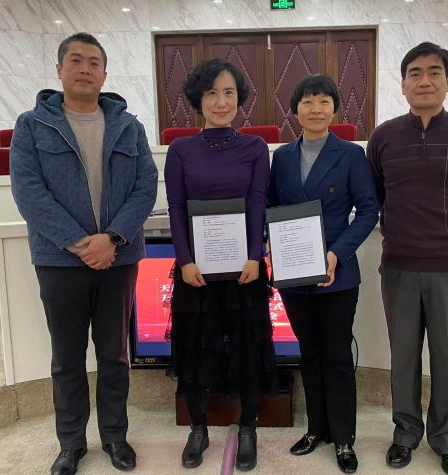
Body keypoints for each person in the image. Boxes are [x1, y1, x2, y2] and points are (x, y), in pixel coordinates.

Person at [10, 32, 157, 475]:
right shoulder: (32, 126)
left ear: (104, 74)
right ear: (59, 70)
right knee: (67, 358)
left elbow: (145, 187)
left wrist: (111, 238)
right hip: (59, 261)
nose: (85, 69)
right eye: (76, 60)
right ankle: (71, 443)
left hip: (118, 258)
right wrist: (80, 243)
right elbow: (29, 193)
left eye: (94, 62)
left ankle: (115, 436)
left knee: (114, 354)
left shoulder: (129, 126)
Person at [367, 42, 448, 475]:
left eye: (434, 72)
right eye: (415, 73)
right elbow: (377, 195)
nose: (424, 80)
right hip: (399, 265)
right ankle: (405, 433)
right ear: (403, 84)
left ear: (447, 81)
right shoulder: (383, 137)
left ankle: (446, 439)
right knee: (403, 357)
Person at [164, 58, 276, 472]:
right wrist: (184, 260)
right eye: (212, 93)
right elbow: (176, 207)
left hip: (245, 268)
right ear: (199, 99)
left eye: (229, 92)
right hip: (196, 272)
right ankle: (199, 428)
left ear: (239, 98)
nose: (221, 102)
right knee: (197, 351)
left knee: (248, 349)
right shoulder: (180, 150)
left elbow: (257, 202)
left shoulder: (254, 147)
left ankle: (248, 427)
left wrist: (255, 255)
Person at [268, 74, 379, 474]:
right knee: (309, 353)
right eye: (307, 102)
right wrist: (271, 244)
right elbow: (271, 207)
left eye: (324, 101)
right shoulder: (281, 156)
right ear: (294, 110)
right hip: (294, 274)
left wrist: (336, 253)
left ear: (335, 109)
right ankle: (316, 429)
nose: (315, 109)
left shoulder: (350, 154)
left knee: (336, 356)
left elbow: (368, 210)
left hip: (337, 273)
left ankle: (344, 438)